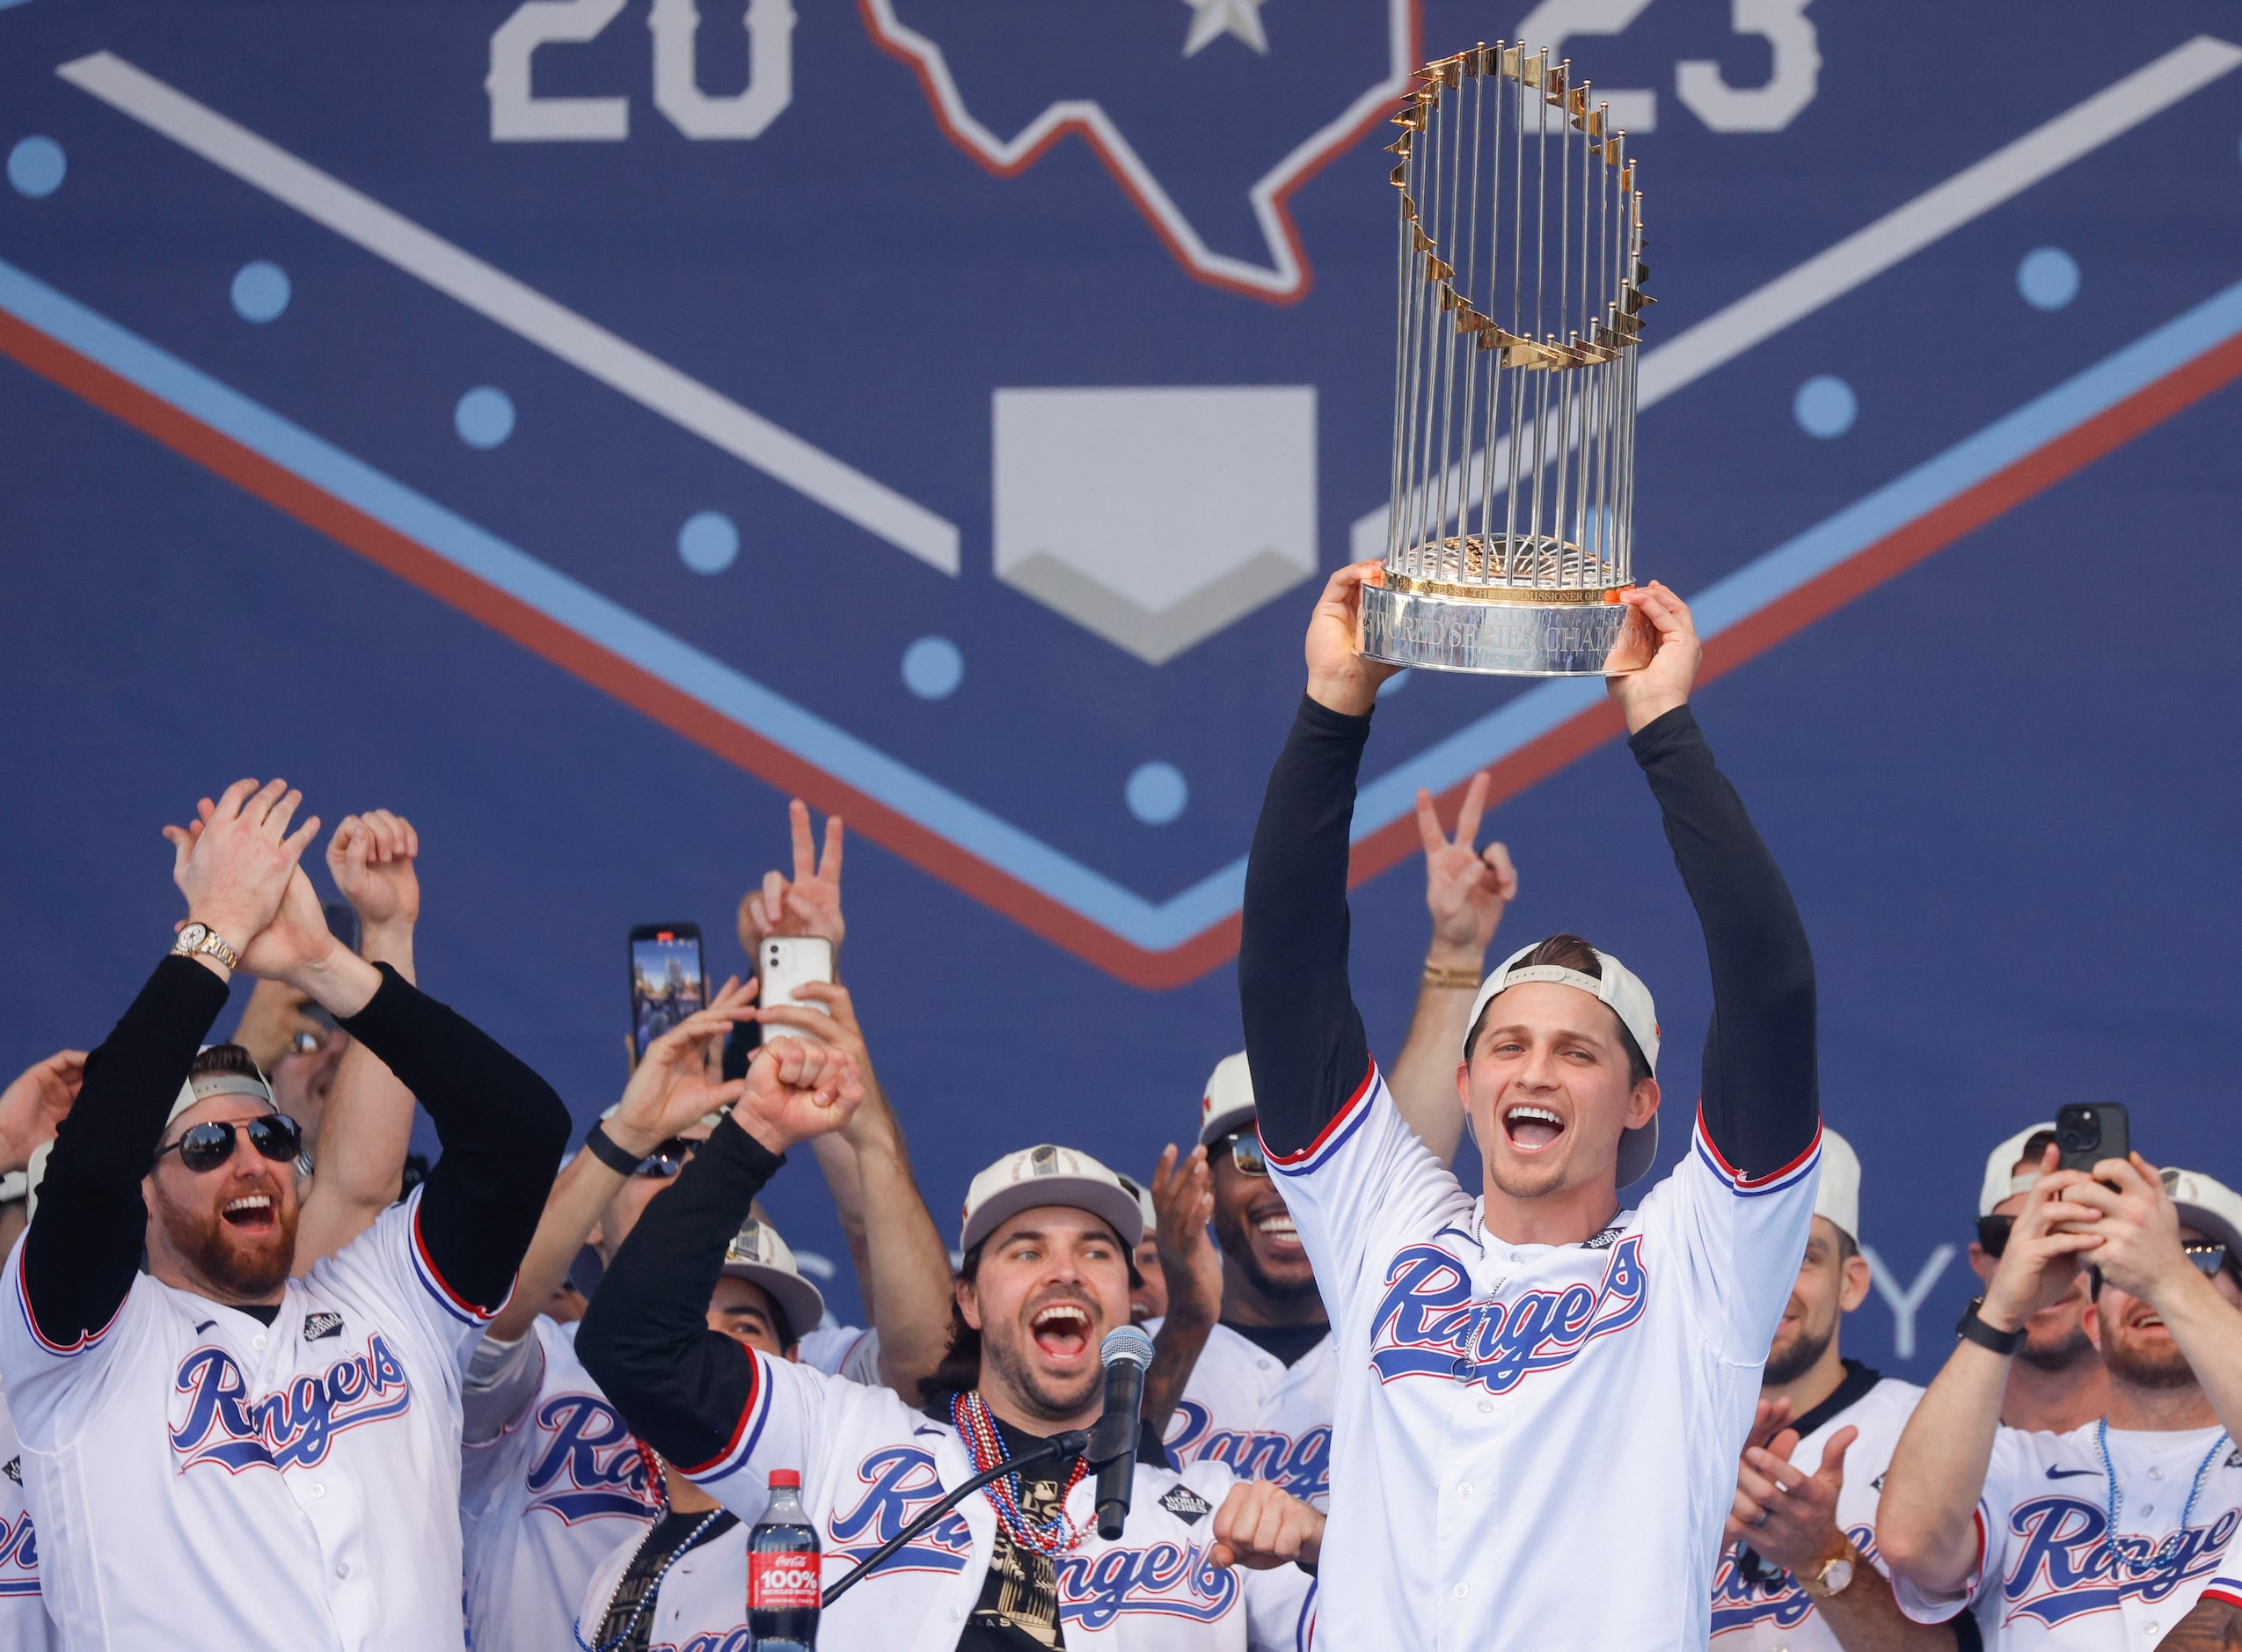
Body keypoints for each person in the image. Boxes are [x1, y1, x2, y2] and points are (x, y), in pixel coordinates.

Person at [1238, 566, 1822, 1648]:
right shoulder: (1385, 1225)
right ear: (1465, 1085)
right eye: (1505, 1045)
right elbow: (1284, 979)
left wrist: (1660, 727)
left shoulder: (1698, 1263)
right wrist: (1333, 710)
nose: (1534, 1073)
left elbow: (1770, 987)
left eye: (1575, 1053)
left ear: (1643, 1097)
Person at [0, 778, 571, 1649]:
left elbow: (522, 1133)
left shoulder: (388, 1298)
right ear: (142, 1192)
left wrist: (326, 967)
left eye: (269, 1135)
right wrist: (216, 928)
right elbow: (88, 1175)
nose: (250, 1161)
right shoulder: (83, 1351)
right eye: (204, 1147)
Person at [576, 1067, 1325, 1649]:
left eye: (1094, 1251)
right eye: (1025, 1250)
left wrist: (1319, 1544)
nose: (1063, 1271)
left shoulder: (1207, 1510)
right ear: (967, 1302)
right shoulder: (844, 1437)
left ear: (1131, 1305)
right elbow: (633, 1345)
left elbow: (1408, 1626)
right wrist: (752, 1136)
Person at [1878, 1151, 2242, 1647]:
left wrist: (2167, 1278)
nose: (2147, 1285)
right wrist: (2003, 1311)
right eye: (2121, 1270)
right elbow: (1911, 1543)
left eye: (2199, 1258)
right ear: (2093, 1324)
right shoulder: (2019, 1463)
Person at [1710, 1128, 1961, 1649]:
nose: (1769, 1283)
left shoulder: (1928, 1431)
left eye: (1802, 1256)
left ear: (1852, 1282)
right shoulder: (1649, 1435)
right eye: (1746, 1253)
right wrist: (1694, 1544)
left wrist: (1820, 1555)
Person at [571, 1215, 830, 1651]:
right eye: (687, 1326)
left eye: (744, 1327)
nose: (709, 1348)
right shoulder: (612, 1570)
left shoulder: (815, 1536)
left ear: (793, 1363)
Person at [1144, 1054, 1334, 1509]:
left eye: (1313, 1155)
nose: (1286, 1181)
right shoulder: (1131, 1356)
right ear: (1204, 1185)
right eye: (1254, 1156)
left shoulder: (1408, 1353)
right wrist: (1185, 1327)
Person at [1969, 1124, 2109, 1434]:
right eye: (2008, 1236)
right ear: (1980, 1261)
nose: (2042, 1259)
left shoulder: (2200, 1438)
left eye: (2069, 1232)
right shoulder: (1920, 1438)